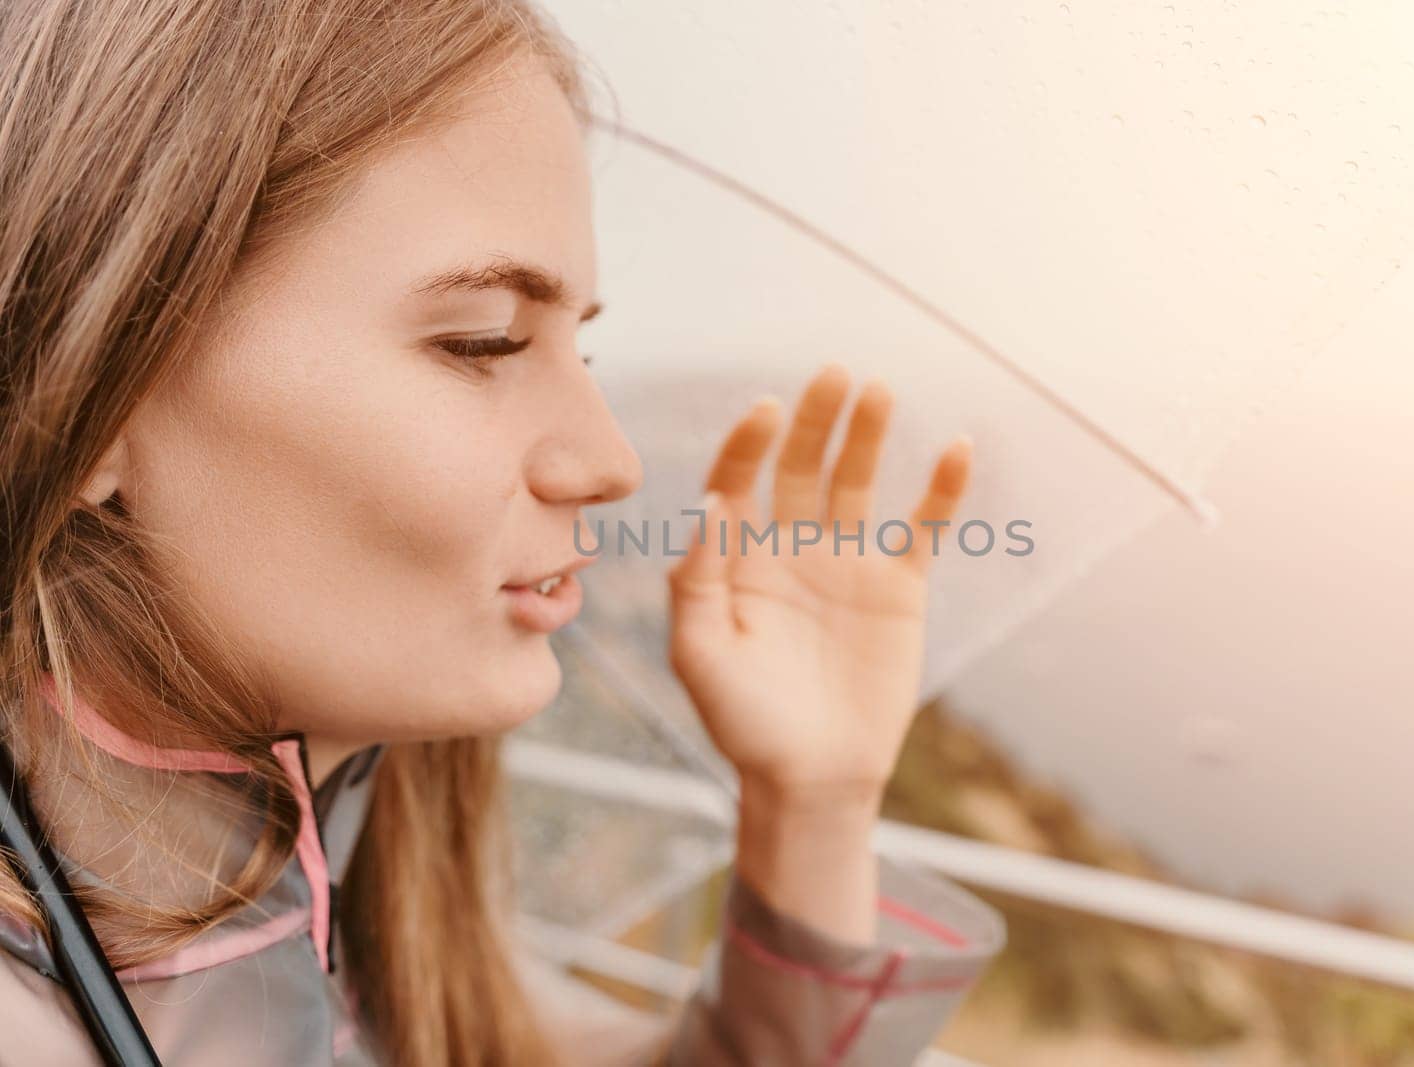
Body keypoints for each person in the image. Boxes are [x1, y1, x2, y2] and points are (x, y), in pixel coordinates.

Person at [0, 1, 1005, 1064]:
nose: (609, 459)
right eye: (484, 342)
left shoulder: (343, 908)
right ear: (86, 393)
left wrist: (813, 808)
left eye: (582, 351)